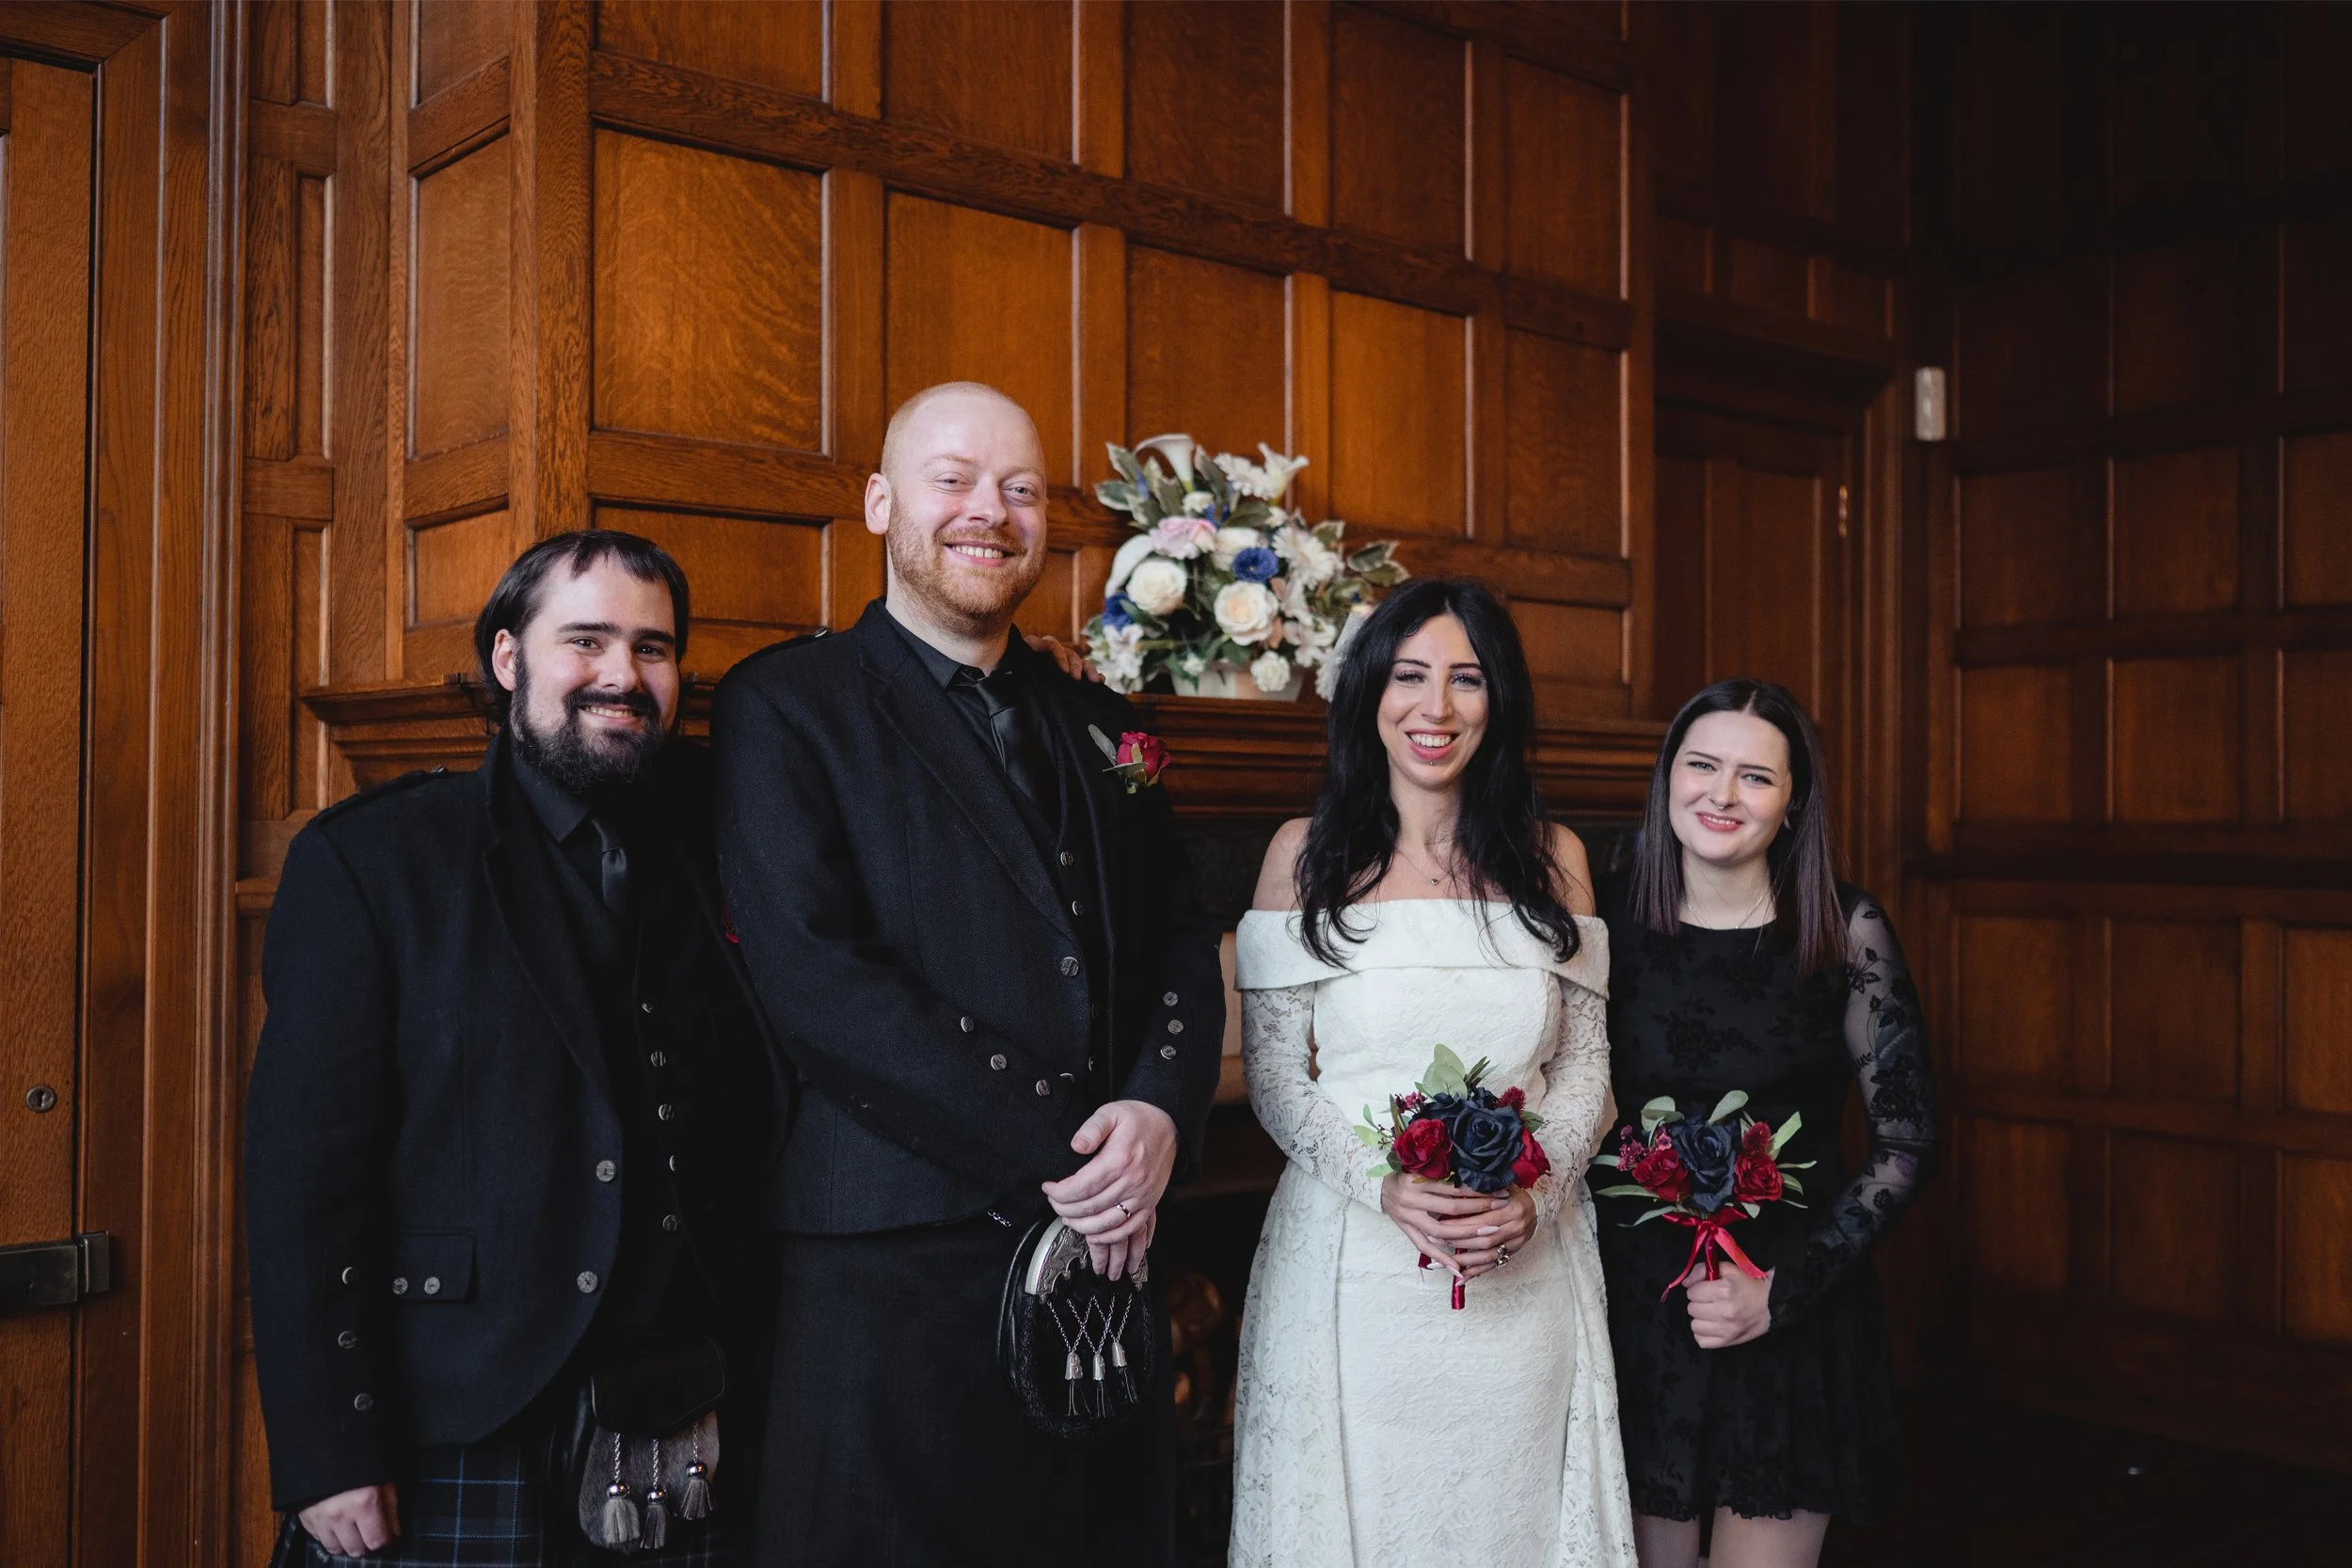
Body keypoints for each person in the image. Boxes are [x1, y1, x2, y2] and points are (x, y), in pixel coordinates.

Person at [712, 381, 1226, 1568]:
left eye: (1019, 488)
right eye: (953, 478)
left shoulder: (1102, 721)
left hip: (1102, 1268)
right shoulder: (784, 705)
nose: (987, 511)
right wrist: (1081, 1153)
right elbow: (819, 981)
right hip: (887, 1275)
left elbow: (1176, 943)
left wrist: (1156, 1107)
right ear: (883, 502)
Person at [245, 530, 775, 1564]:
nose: (623, 674)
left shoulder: (728, 840)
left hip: (682, 1404)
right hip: (454, 1410)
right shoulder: (373, 859)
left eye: (654, 648)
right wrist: (326, 1446)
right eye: (586, 639)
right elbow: (304, 1179)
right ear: (507, 657)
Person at [1228, 578, 1638, 1568]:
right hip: (1353, 1262)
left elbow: (1589, 1070)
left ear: (1498, 700)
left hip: (1527, 1262)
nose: (1436, 708)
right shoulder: (1303, 856)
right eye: (1411, 675)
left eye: (1467, 678)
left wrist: (1536, 1196)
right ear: (1370, 691)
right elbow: (1278, 1078)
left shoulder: (1557, 859)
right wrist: (1386, 1185)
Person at [1592, 678, 1938, 1568]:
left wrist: (1779, 1290)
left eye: (1756, 777)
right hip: (1634, 1314)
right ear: (1668, 776)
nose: (1721, 793)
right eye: (1701, 765)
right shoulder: (1599, 916)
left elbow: (1904, 1142)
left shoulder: (1843, 928)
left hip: (1792, 1317)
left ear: (1793, 803)